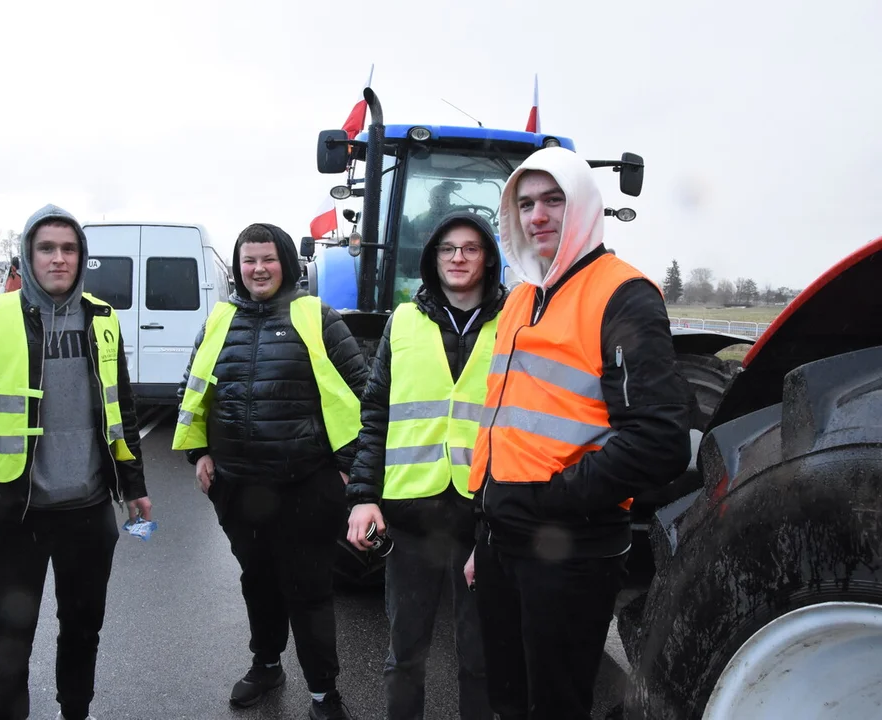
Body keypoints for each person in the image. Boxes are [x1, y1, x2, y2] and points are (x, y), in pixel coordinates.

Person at [467, 147, 693, 719]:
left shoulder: (622, 294)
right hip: (501, 543)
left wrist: (548, 502)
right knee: (507, 700)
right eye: (525, 204)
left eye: (553, 200)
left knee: (557, 705)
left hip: (567, 551)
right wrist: (487, 526)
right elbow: (506, 425)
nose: (537, 215)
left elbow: (658, 439)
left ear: (585, 206)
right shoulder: (521, 297)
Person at [0, 204, 152, 720]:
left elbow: (120, 407)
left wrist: (135, 487)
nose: (59, 259)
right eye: (47, 249)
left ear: (82, 257)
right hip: (18, 514)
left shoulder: (103, 319)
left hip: (89, 511)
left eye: (70, 249)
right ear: (27, 256)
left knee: (83, 631)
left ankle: (75, 712)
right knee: (10, 643)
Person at [173, 223, 367, 720]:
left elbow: (364, 390)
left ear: (286, 262)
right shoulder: (219, 320)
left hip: (306, 486)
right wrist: (199, 455)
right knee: (257, 581)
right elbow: (192, 391)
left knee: (309, 590)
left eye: (268, 259)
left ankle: (324, 692)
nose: (258, 269)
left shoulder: (315, 316)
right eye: (248, 260)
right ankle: (266, 665)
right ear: (238, 267)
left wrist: (347, 471)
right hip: (237, 489)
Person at [346, 210, 504, 720]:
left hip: (483, 519)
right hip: (410, 519)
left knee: (480, 657)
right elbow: (376, 414)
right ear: (432, 259)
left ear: (489, 258)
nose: (458, 258)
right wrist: (364, 496)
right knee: (405, 654)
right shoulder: (402, 322)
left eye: (470, 248)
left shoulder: (513, 326)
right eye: (447, 249)